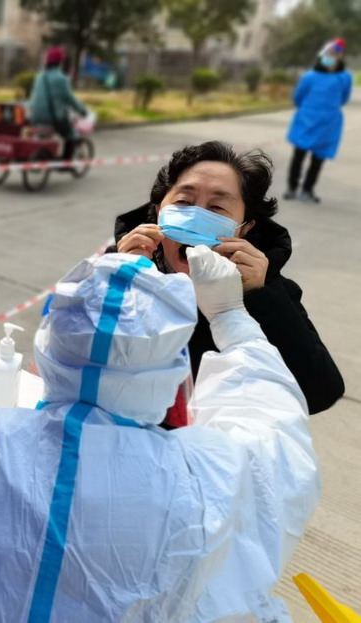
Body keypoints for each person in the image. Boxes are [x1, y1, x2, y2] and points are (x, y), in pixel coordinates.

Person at [0, 250, 320, 622]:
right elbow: (273, 431)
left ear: (45, 351)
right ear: (173, 375)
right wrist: (232, 319)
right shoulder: (206, 480)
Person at [112, 141, 343, 418]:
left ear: (243, 229)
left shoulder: (265, 289)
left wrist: (258, 296)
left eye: (217, 207)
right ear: (159, 210)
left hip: (215, 439)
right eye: (184, 201)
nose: (195, 217)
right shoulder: (119, 265)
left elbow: (319, 393)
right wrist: (117, 283)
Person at [285, 38, 352, 203]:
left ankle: (307, 190)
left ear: (340, 56)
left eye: (335, 53)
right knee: (299, 156)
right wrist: (308, 110)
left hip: (328, 123)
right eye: (328, 53)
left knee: (318, 159)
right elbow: (298, 97)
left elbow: (344, 98)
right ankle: (292, 188)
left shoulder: (344, 78)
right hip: (306, 120)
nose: (331, 56)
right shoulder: (310, 76)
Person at [29, 46, 89, 160]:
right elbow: (70, 99)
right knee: (71, 134)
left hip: (35, 117)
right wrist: (82, 110)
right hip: (53, 118)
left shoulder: (39, 76)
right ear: (60, 62)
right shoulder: (61, 79)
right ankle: (66, 163)